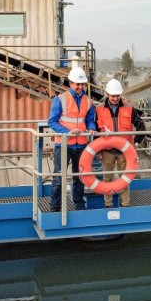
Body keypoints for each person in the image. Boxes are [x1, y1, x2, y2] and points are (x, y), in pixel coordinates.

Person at [47, 67, 96, 211]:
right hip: (63, 144)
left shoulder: (88, 101)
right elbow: (52, 122)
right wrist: (68, 131)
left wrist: (91, 127)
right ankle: (55, 206)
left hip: (80, 145)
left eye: (82, 84)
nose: (80, 87)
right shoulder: (60, 99)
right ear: (70, 83)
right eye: (77, 84)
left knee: (79, 177)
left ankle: (79, 204)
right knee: (58, 177)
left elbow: (89, 119)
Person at [95, 79, 146, 208]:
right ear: (107, 94)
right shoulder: (99, 109)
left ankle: (125, 203)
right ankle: (108, 205)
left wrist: (136, 143)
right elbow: (95, 132)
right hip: (107, 151)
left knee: (124, 178)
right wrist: (97, 150)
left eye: (117, 96)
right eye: (113, 96)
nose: (115, 98)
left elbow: (141, 126)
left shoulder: (129, 108)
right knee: (107, 179)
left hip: (124, 151)